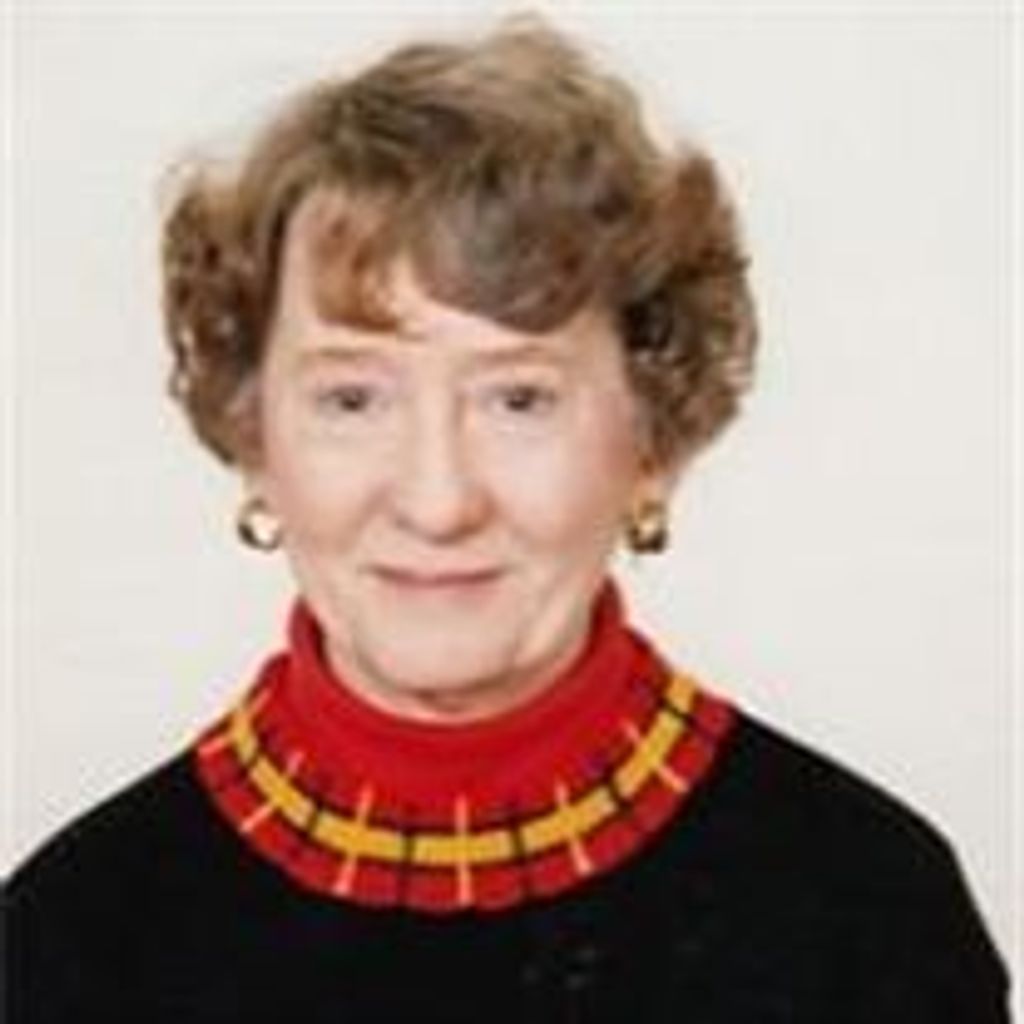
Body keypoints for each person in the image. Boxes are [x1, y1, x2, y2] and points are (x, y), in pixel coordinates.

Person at [6, 18, 1009, 1023]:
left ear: (652, 438)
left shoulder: (867, 912)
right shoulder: (72, 941)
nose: (438, 501)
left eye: (518, 399)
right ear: (253, 438)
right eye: (352, 399)